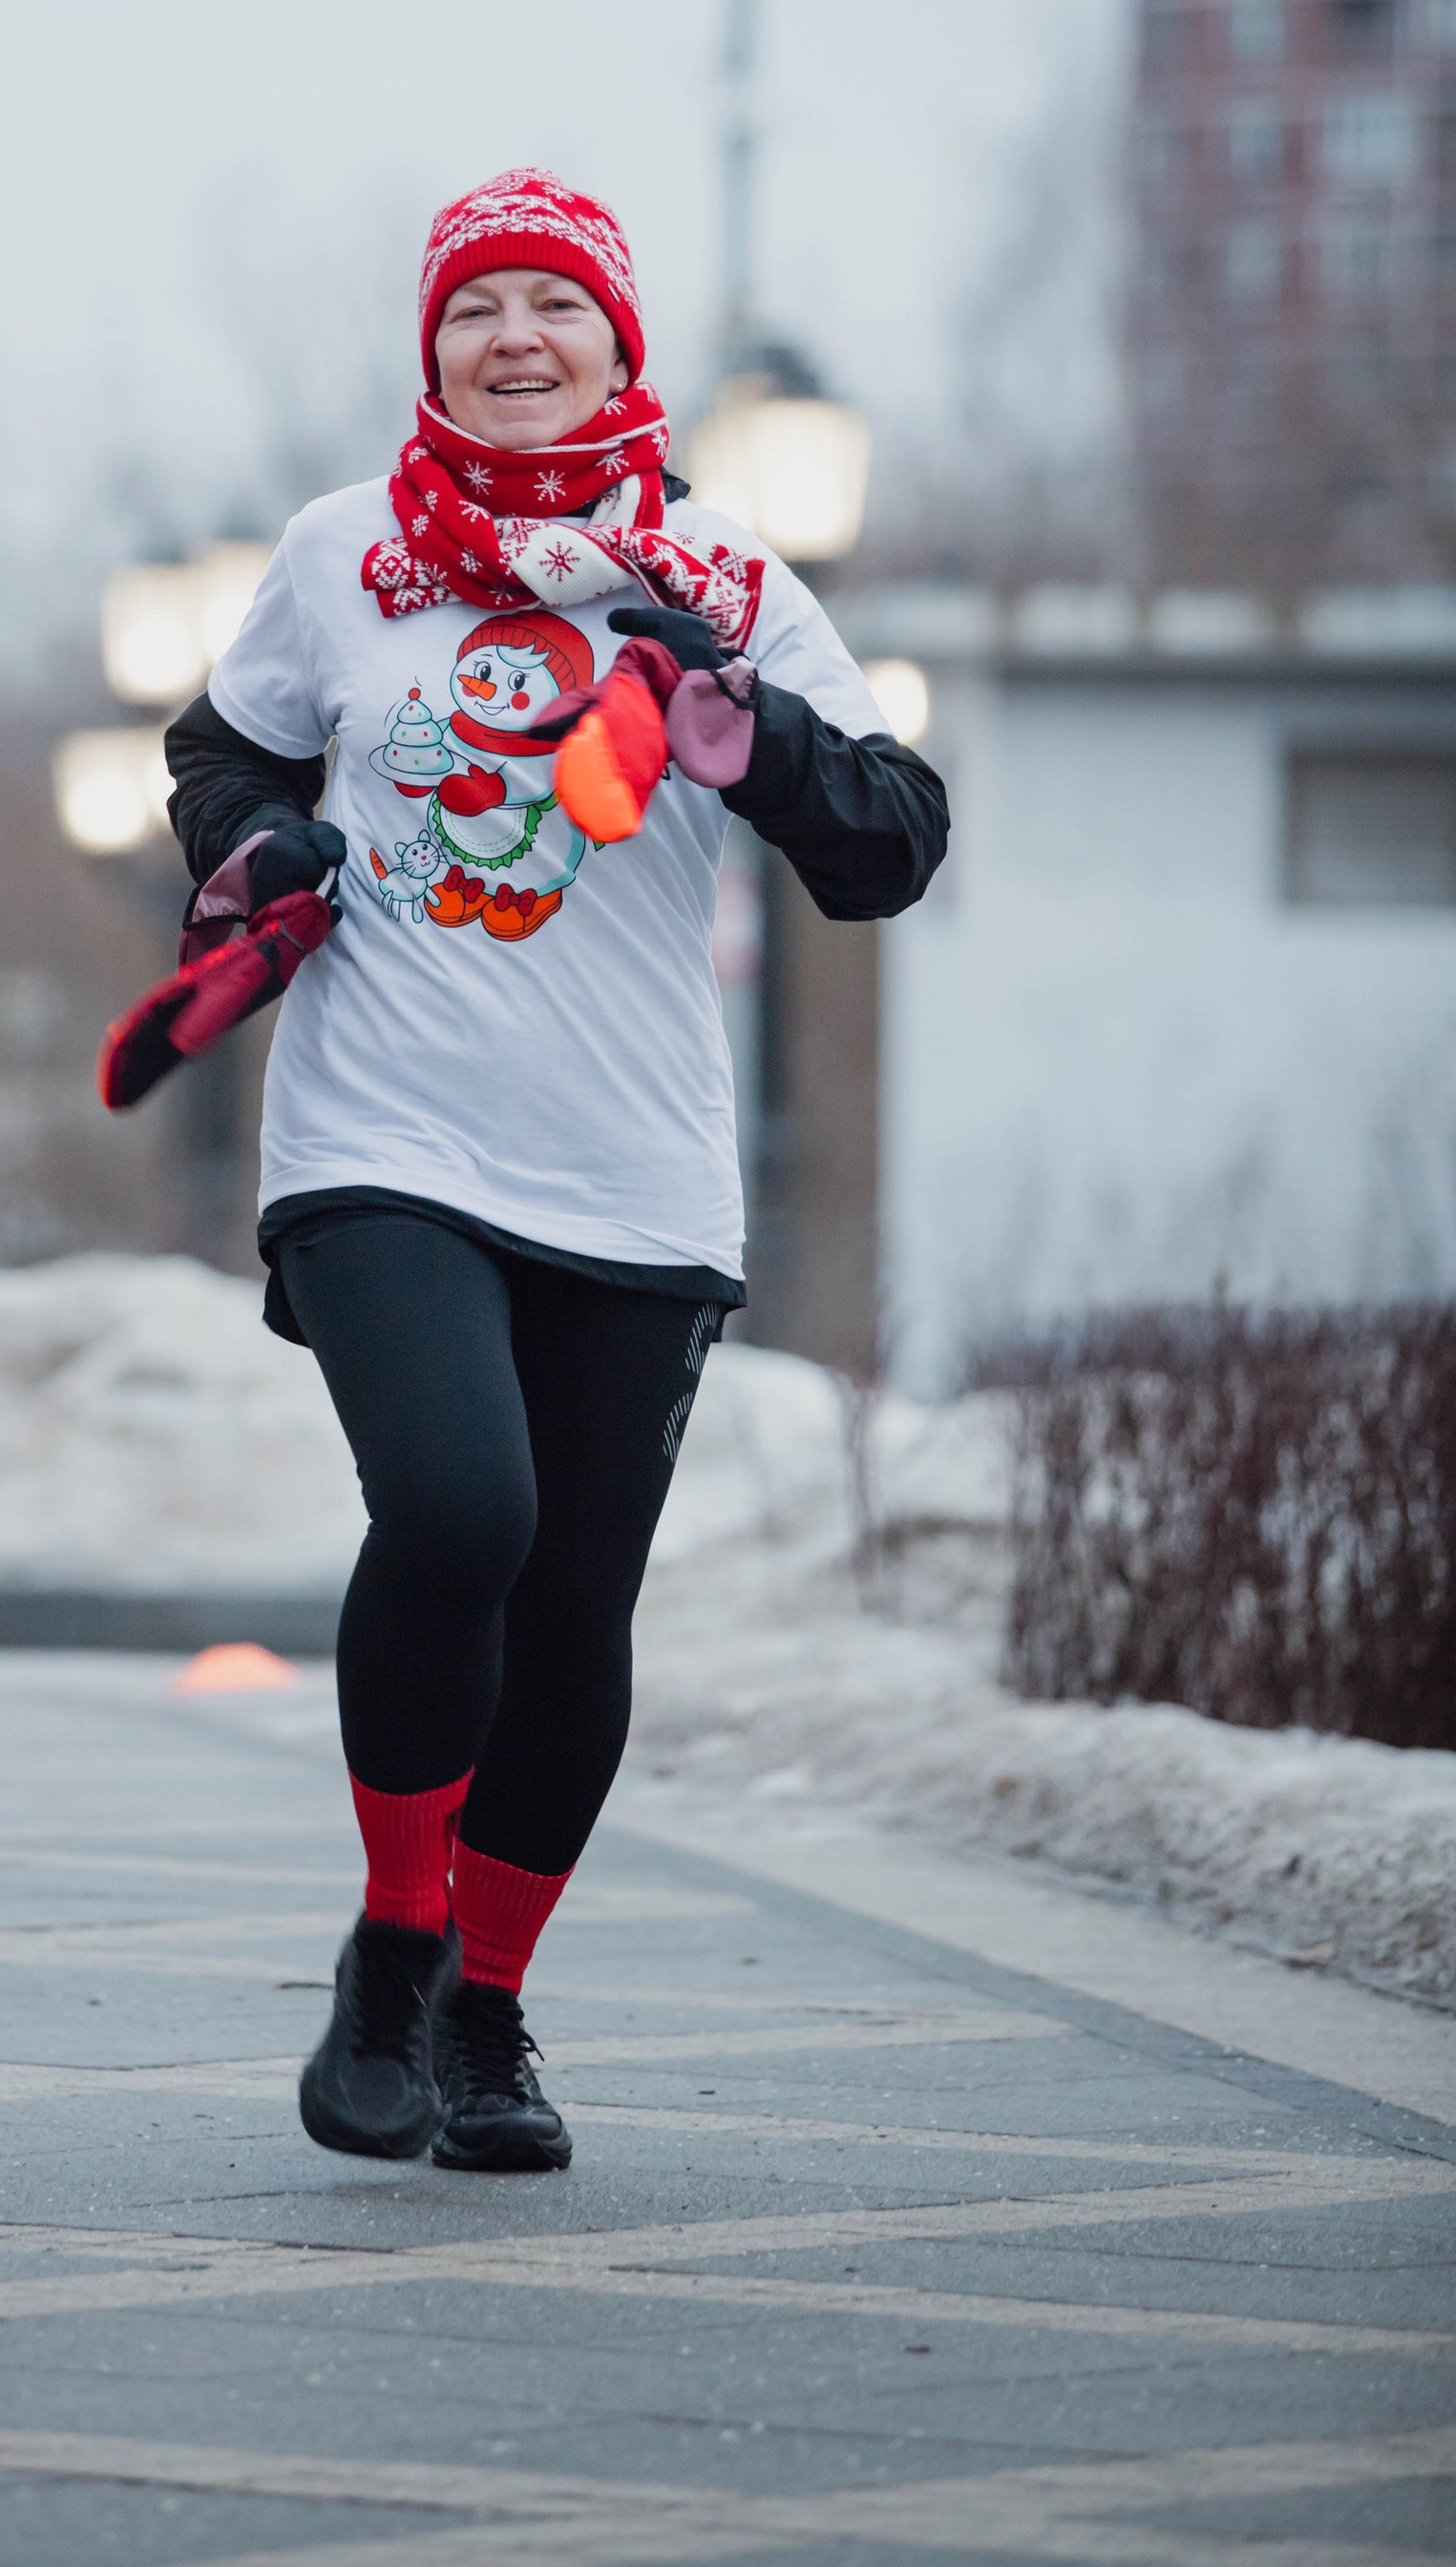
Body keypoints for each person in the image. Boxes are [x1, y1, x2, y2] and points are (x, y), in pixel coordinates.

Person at [163, 167, 946, 2174]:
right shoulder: (341, 555)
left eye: (554, 306)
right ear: (431, 351)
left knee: (577, 1599)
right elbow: (220, 751)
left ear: (619, 345)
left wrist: (751, 744)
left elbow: (888, 843)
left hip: (634, 1174)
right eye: (474, 309)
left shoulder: (724, 583)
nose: (515, 339)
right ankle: (392, 1950)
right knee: (460, 1512)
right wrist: (256, 850)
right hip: (384, 1137)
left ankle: (488, 2013)